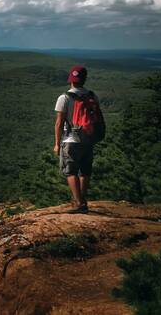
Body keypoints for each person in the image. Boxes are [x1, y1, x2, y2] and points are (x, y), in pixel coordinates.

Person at [53, 65, 102, 214]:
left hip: (71, 140)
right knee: (85, 171)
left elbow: (59, 123)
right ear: (84, 79)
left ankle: (79, 203)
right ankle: (82, 199)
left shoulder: (64, 97)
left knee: (70, 172)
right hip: (88, 139)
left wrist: (56, 143)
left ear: (71, 80)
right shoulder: (93, 96)